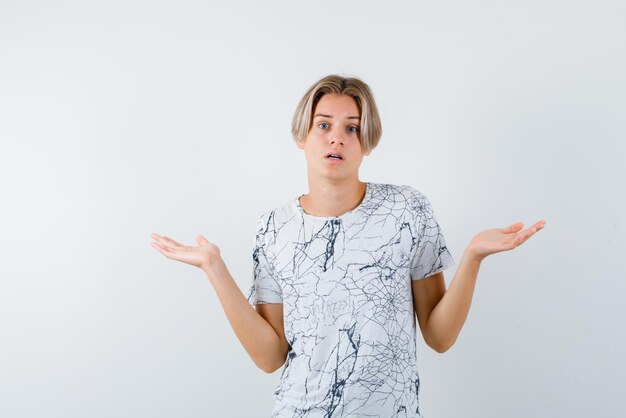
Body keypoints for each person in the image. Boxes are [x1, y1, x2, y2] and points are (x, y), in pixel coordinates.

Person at [150, 74, 546, 417]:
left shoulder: (406, 210)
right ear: (302, 136)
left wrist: (473, 257)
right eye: (323, 125)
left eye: (352, 128)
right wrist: (214, 269)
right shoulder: (273, 228)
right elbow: (270, 357)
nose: (337, 136)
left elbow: (439, 337)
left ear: (367, 142)